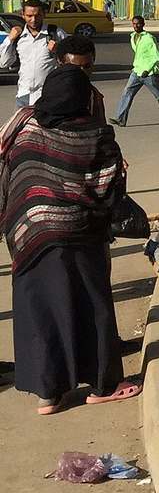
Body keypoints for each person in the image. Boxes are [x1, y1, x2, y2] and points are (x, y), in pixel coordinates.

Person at [0, 66, 138, 412]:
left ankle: (48, 394)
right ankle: (102, 385)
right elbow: (107, 186)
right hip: (79, 231)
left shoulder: (24, 122)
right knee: (91, 305)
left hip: (28, 230)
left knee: (40, 309)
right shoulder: (96, 134)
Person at [112, 14, 159, 126]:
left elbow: (155, 56)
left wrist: (147, 69)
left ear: (143, 24)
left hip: (149, 73)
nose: (136, 26)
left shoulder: (149, 38)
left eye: (138, 24)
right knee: (127, 93)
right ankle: (120, 118)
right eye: (134, 24)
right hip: (136, 71)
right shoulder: (133, 37)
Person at [2, 0, 58, 107]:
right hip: (24, 95)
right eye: (29, 16)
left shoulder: (55, 33)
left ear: (44, 15)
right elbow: (4, 63)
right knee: (20, 124)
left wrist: (58, 50)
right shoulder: (18, 36)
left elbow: (71, 60)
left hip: (48, 95)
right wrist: (9, 40)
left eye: (37, 15)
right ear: (23, 15)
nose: (33, 20)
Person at [55, 33, 107, 123]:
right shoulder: (50, 93)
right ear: (60, 62)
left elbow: (101, 131)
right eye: (75, 68)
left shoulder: (94, 97)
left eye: (87, 66)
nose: (82, 73)